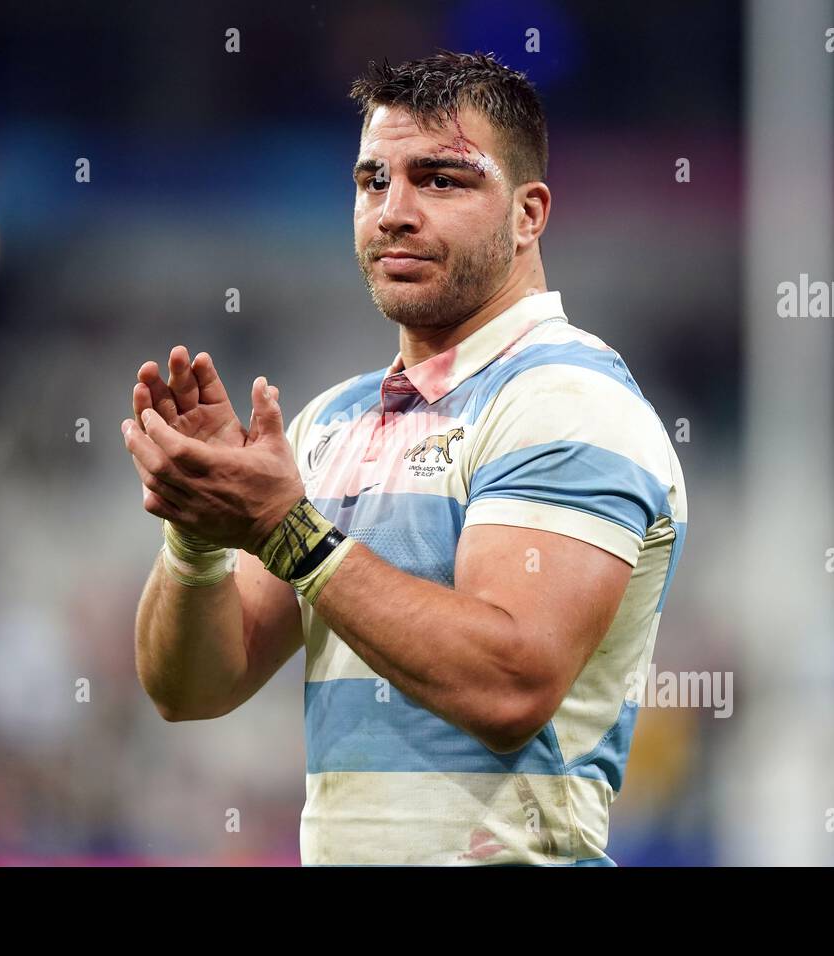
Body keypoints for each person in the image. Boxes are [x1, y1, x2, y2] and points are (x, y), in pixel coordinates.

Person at [121, 50, 687, 865]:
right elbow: (192, 688)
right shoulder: (333, 421)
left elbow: (510, 683)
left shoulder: (566, 401)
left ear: (528, 214)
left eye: (441, 180)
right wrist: (200, 534)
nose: (394, 211)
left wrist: (288, 532)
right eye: (372, 181)